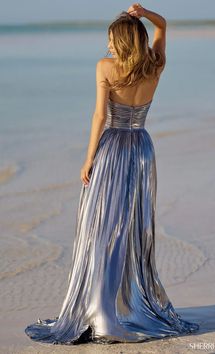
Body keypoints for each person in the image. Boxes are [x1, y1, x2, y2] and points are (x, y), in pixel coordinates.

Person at [25, 3, 200, 345]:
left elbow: (99, 117)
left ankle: (102, 310)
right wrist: (145, 12)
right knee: (129, 227)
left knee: (103, 228)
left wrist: (88, 159)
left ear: (118, 40)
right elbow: (163, 27)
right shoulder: (155, 65)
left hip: (112, 150)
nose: (106, 42)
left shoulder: (106, 67)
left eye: (109, 37)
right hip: (141, 149)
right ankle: (123, 305)